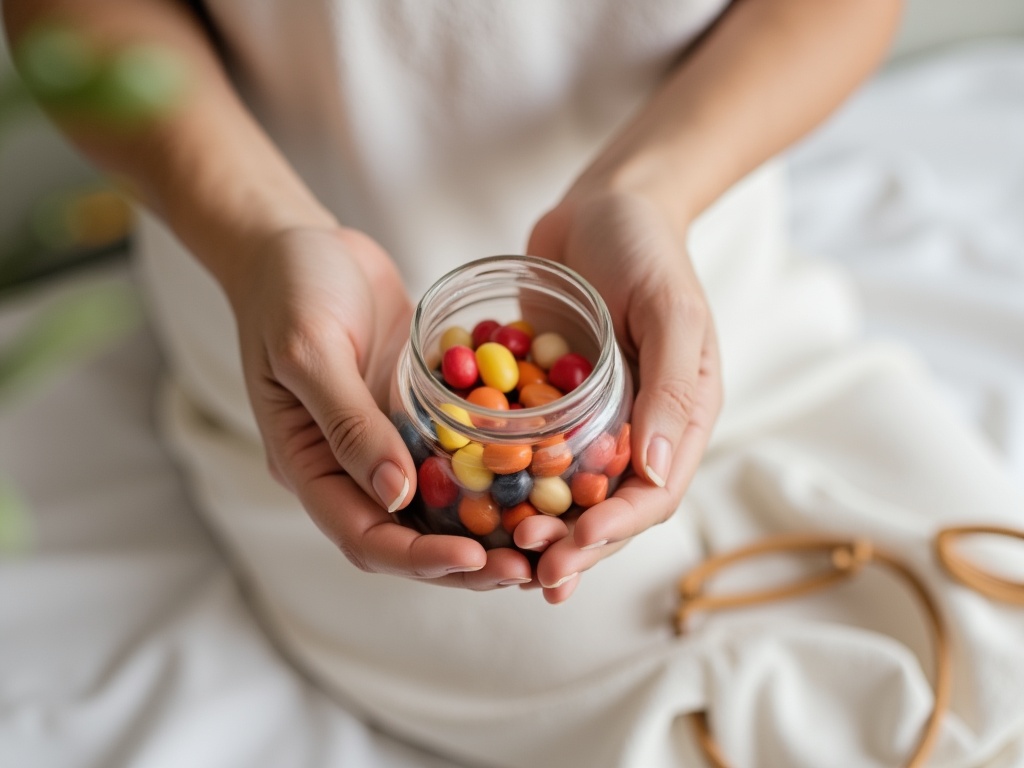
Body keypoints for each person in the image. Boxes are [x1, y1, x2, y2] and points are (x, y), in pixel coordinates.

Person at [13, 1, 1023, 766]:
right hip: (314, 348)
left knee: (988, 628)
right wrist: (263, 239)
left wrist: (648, 194)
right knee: (614, 699)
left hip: (685, 279)